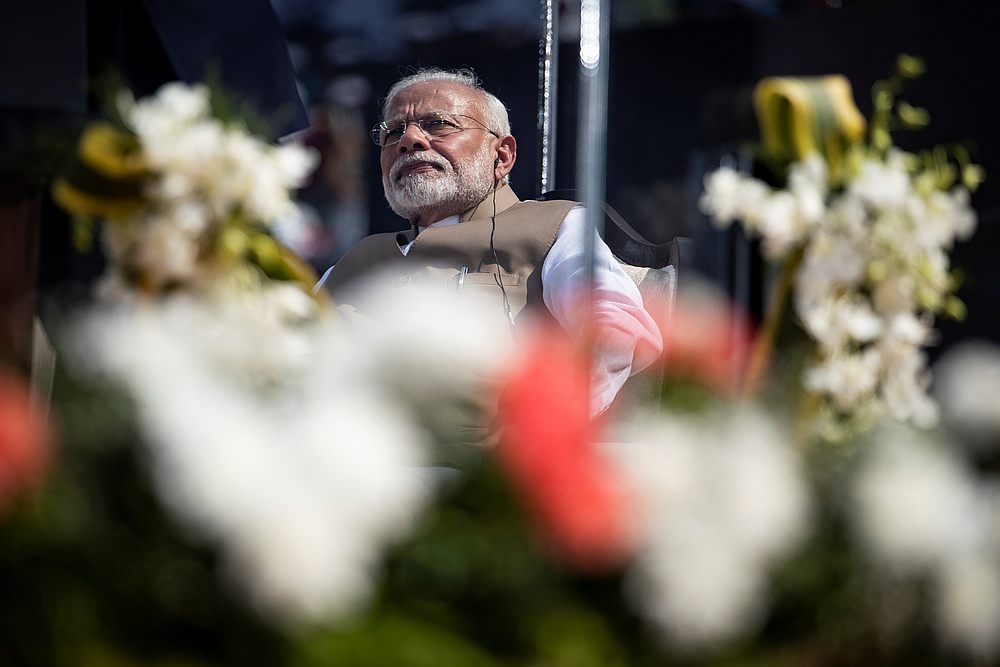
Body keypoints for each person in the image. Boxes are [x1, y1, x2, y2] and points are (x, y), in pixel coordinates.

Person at [318, 68, 662, 415]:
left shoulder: (555, 227)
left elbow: (615, 332)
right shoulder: (357, 259)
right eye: (393, 132)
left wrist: (543, 429)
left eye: (438, 124)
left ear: (502, 156)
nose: (408, 140)